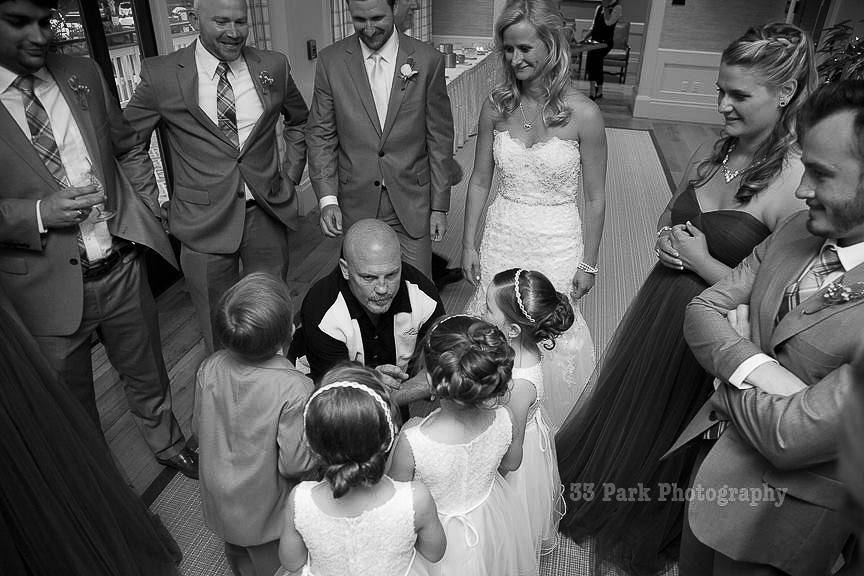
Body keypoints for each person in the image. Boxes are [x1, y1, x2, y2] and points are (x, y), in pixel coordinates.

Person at [555, 22, 817, 573]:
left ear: (786, 93)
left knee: (672, 435)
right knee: (634, 413)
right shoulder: (713, 149)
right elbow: (669, 215)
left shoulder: (796, 182)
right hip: (660, 307)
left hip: (712, 334)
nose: (722, 104)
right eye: (720, 89)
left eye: (740, 95)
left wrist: (700, 262)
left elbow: (776, 300)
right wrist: (663, 240)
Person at [666, 78, 864, 575]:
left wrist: (726, 371)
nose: (801, 190)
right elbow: (702, 311)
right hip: (712, 470)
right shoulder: (797, 230)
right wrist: (761, 366)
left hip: (784, 520)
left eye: (820, 174)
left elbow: (792, 437)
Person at [0, 0, 197, 478]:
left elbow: (128, 144)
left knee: (147, 370)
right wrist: (39, 212)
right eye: (18, 22)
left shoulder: (81, 72)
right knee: (70, 402)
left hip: (120, 264)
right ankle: (103, 486)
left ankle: (167, 443)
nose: (40, 35)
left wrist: (146, 207)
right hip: (43, 286)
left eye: (45, 21)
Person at [125, 0, 309, 354]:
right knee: (217, 328)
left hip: (266, 214)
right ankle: (229, 400)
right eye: (221, 21)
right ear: (195, 20)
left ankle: (278, 395)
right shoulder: (160, 74)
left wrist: (290, 174)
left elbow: (299, 121)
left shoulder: (273, 65)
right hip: (201, 223)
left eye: (241, 22)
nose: (234, 32)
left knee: (272, 318)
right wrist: (152, 199)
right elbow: (129, 142)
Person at [462, 0, 605, 430]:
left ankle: (547, 431)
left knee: (549, 337)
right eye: (507, 49)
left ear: (552, 45)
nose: (514, 59)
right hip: (503, 233)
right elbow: (481, 180)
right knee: (495, 329)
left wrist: (588, 261)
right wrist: (469, 242)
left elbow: (596, 198)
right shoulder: (495, 106)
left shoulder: (585, 114)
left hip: (558, 239)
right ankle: (490, 425)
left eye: (524, 48)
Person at [0, 282, 181, 574]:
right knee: (72, 425)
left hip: (114, 269)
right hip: (45, 293)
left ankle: (162, 450)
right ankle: (108, 495)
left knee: (144, 368)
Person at [306, 0, 454, 278]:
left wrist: (439, 206)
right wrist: (327, 200)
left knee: (418, 289)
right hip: (356, 200)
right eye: (359, 19)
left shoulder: (427, 60)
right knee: (364, 291)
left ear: (395, 8)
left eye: (377, 17)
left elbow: (440, 139)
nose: (369, 28)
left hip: (412, 200)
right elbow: (321, 134)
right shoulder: (331, 61)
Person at [389, 315, 537, 576]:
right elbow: (512, 462)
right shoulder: (505, 417)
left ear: (432, 382)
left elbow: (397, 504)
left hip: (433, 534)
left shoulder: (413, 440)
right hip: (489, 519)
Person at [194, 273, 315, 576]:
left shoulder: (210, 367)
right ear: (290, 330)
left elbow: (199, 428)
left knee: (240, 561)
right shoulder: (294, 388)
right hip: (267, 513)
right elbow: (295, 464)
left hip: (221, 498)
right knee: (279, 569)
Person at [279, 363, 446, 576]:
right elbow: (434, 553)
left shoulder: (299, 500)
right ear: (390, 436)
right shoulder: (416, 498)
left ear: (310, 444)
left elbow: (291, 561)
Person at [291, 219, 444, 406]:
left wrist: (379, 392)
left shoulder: (424, 296)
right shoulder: (322, 310)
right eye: (368, 277)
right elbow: (334, 398)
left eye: (391, 275)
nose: (382, 289)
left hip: (392, 394)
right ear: (345, 270)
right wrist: (370, 385)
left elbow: (444, 365)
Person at [484, 268, 571, 557]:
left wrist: (490, 473)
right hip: (524, 435)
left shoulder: (518, 387)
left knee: (509, 527)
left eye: (488, 310)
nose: (482, 314)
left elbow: (513, 455)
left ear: (512, 330)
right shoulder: (522, 346)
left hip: (514, 458)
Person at [582, 0, 621, 100]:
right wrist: (585, 38)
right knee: (593, 59)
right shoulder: (598, 8)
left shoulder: (617, 8)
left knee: (595, 58)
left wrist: (606, 8)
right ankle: (595, 88)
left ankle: (596, 89)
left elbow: (608, 23)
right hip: (595, 40)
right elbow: (593, 26)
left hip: (605, 42)